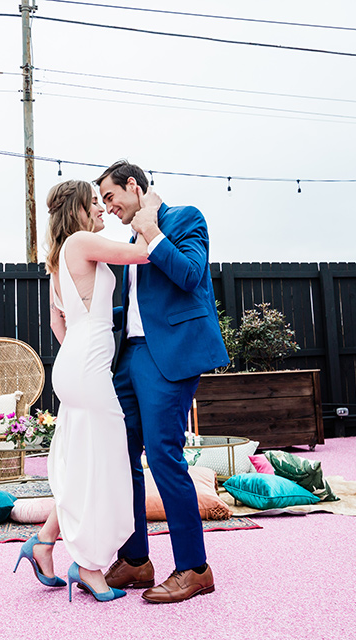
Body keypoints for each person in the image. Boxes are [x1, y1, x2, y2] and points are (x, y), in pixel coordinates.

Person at [13, 179, 160, 602]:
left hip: (76, 362)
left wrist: (85, 349)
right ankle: (90, 567)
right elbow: (143, 254)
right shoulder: (80, 242)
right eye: (95, 203)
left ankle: (43, 543)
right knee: (106, 465)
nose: (101, 209)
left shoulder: (58, 258)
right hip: (87, 368)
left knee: (85, 463)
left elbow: (60, 325)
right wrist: (147, 213)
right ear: (77, 209)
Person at [95, 160, 229, 604]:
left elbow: (190, 275)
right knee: (120, 454)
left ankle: (195, 568)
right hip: (130, 357)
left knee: (164, 455)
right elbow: (139, 306)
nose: (108, 207)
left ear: (133, 186)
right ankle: (136, 560)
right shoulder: (133, 237)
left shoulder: (184, 218)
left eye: (112, 197)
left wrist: (153, 232)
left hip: (166, 358)